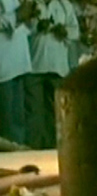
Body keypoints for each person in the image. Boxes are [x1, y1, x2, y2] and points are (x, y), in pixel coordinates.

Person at [25, 0, 79, 149]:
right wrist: (37, 27)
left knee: (55, 111)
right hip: (35, 66)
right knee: (34, 112)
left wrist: (65, 31)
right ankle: (34, 148)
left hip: (58, 67)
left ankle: (54, 147)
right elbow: (21, 29)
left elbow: (76, 32)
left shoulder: (64, 5)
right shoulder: (31, 4)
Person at [0, 0, 32, 145]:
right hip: (3, 67)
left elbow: (25, 26)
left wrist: (29, 16)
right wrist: (17, 16)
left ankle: (18, 158)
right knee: (7, 124)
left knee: (19, 122)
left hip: (18, 64)